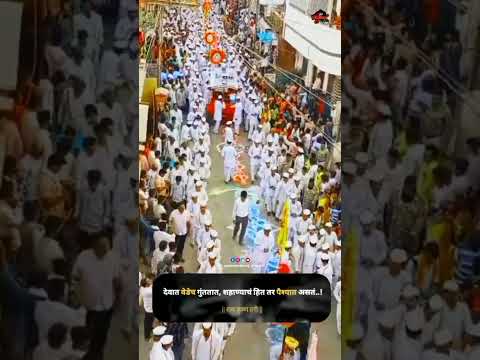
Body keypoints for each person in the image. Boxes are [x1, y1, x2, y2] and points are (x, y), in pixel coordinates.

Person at [71, 234, 121, 360]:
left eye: (107, 247)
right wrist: (74, 295)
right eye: (102, 247)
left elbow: (116, 280)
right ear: (94, 246)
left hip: (106, 305)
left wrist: (117, 300)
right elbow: (75, 278)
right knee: (87, 334)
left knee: (102, 334)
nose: (105, 249)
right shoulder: (83, 257)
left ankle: (98, 355)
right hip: (88, 305)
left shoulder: (113, 258)